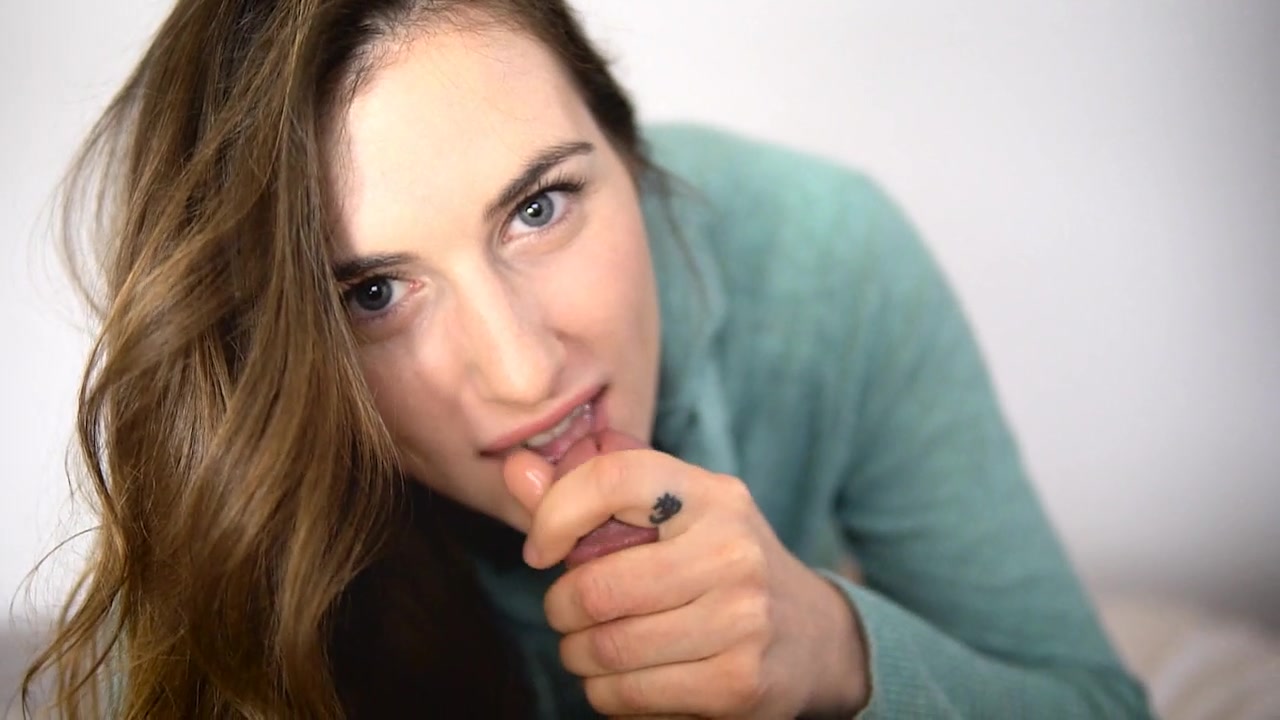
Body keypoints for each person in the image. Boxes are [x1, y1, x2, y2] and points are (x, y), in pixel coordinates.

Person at [22, 0, 1154, 717]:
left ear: (628, 148)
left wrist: (835, 647)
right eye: (372, 294)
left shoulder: (825, 252)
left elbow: (1095, 704)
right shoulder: (227, 467)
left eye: (540, 208)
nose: (522, 374)